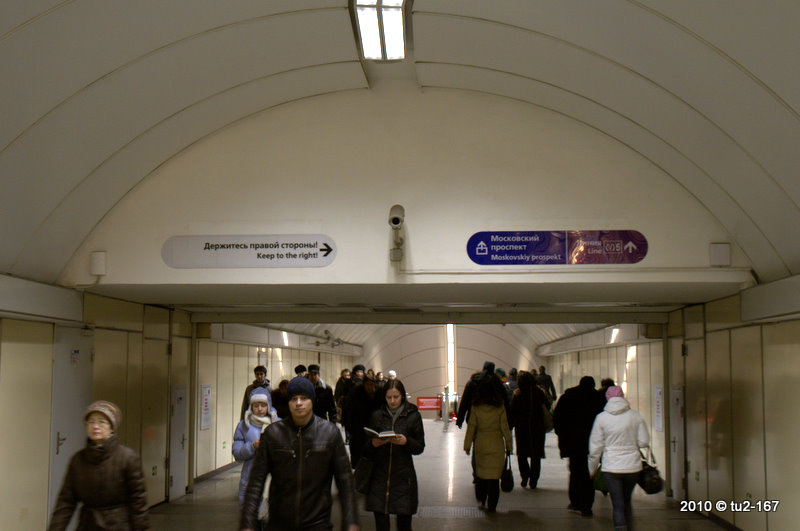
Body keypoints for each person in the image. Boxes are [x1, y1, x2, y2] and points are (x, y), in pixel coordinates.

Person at [240, 377, 359, 531]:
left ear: (312, 401)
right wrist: (248, 523)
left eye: (304, 398)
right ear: (288, 402)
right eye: (293, 399)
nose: (298, 403)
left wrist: (351, 520)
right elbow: (256, 481)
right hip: (279, 523)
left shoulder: (329, 434)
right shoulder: (273, 434)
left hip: (317, 523)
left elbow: (345, 480)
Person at [49, 400, 149, 530]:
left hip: (118, 525)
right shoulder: (78, 460)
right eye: (91, 422)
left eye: (102, 422)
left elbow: (138, 502)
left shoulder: (127, 458)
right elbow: (66, 501)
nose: (95, 426)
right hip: (87, 525)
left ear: (112, 427)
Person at [363, 379, 425, 531]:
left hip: (403, 477)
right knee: (381, 524)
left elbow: (419, 447)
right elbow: (365, 448)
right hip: (379, 476)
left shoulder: (413, 416)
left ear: (402, 396)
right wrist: (373, 443)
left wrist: (406, 442)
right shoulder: (377, 415)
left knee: (404, 524)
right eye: (388, 397)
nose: (392, 401)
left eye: (396, 397)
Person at [588, 386, 650, 531]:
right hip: (632, 467)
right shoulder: (636, 416)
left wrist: (592, 469)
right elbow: (644, 441)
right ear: (623, 397)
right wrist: (630, 444)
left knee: (617, 504)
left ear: (607, 399)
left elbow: (595, 447)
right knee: (627, 501)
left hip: (611, 468)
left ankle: (620, 527)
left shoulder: (601, 418)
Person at [553, 376, 605, 517]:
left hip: (573, 443)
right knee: (589, 474)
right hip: (592, 444)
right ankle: (587, 506)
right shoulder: (599, 399)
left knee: (575, 472)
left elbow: (557, 419)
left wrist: (562, 435)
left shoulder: (568, 397)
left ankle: (575, 501)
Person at [463, 378, 513, 513]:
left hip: (481, 444)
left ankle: (482, 496)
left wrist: (467, 445)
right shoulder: (500, 407)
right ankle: (492, 504)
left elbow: (471, 428)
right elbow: (505, 428)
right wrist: (509, 445)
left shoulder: (476, 407)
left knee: (482, 474)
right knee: (494, 478)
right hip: (497, 444)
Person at [233, 391, 273, 509]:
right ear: (251, 407)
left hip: (273, 477)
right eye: (256, 406)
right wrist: (252, 446)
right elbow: (237, 453)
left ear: (268, 406)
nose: (260, 409)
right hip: (250, 476)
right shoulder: (243, 426)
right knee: (249, 510)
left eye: (263, 405)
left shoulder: (277, 424)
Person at [509, 371, 547, 489]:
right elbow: (547, 406)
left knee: (522, 454)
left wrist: (510, 425)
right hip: (538, 427)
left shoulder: (518, 393)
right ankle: (534, 480)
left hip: (522, 428)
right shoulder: (540, 392)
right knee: (536, 455)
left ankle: (525, 476)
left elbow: (512, 411)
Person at [343, 374, 382, 468]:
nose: (370, 387)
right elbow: (349, 412)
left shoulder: (379, 394)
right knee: (359, 457)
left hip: (375, 430)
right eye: (367, 384)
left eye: (372, 384)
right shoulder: (356, 394)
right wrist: (349, 427)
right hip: (358, 430)